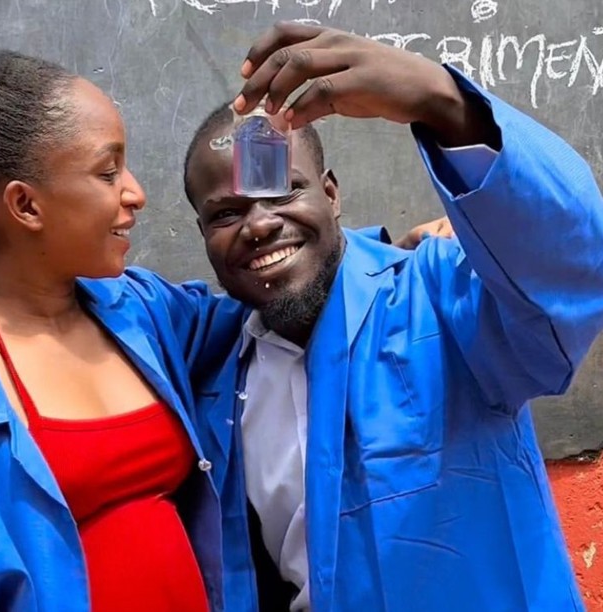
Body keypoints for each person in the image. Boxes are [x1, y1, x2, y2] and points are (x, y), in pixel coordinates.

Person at [183, 22, 603, 612]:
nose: (258, 224)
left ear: (330, 194)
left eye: (282, 192)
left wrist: (441, 101)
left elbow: (572, 265)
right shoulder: (217, 364)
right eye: (226, 213)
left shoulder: (439, 300)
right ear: (202, 235)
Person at [0, 12, 249, 611]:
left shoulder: (145, 314)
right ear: (25, 205)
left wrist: (392, 251)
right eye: (108, 172)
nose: (135, 192)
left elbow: (264, 309)